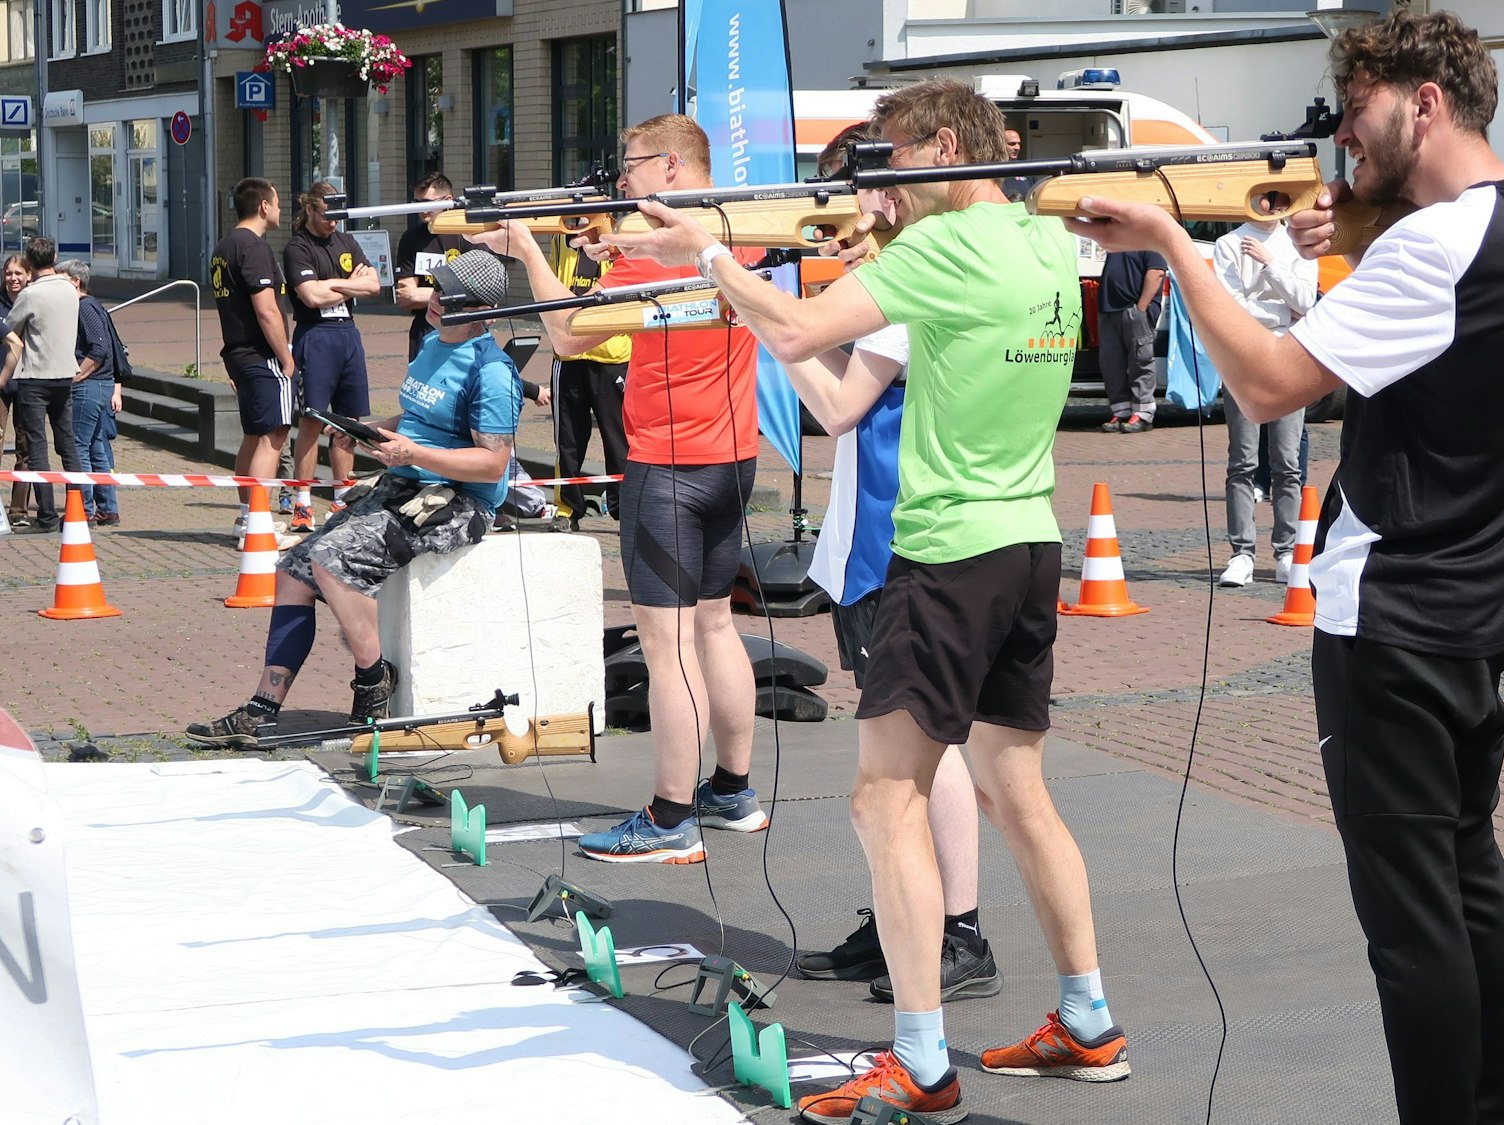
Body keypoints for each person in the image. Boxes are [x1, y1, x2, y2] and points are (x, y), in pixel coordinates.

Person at [1060, 10, 1504, 1121]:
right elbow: (1438, 251)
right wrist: (1348, 220)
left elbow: (1262, 384)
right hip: (1477, 604)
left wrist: (1169, 244)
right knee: (1469, 884)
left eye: (1356, 121)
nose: (1344, 146)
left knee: (1410, 926)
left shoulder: (1426, 252)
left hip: (1390, 616)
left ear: (1423, 105)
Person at [601, 78, 1127, 1122]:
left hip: (944, 556)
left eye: (888, 159)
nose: (877, 179)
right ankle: (1085, 1017)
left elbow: (798, 336)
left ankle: (921, 1064)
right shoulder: (1041, 241)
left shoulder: (941, 250)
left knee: (881, 801)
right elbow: (837, 374)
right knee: (1016, 791)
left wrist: (712, 259)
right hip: (1025, 543)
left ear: (941, 150)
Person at [470, 114, 768, 865]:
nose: (623, 179)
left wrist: (530, 253)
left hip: (668, 465)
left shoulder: (661, 247)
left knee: (667, 649)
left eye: (632, 165)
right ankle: (731, 790)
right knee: (716, 629)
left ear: (671, 166)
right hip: (733, 456)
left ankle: (670, 816)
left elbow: (568, 337)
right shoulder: (741, 227)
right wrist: (618, 245)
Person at [794, 122, 1002, 1005]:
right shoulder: (906, 264)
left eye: (861, 193)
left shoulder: (921, 271)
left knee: (926, 752)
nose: (854, 212)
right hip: (874, 536)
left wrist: (778, 326)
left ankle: (956, 931)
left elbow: (840, 405)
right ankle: (902, 919)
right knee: (896, 752)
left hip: (898, 535)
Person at [186, 250, 524, 747]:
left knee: (329, 559)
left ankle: (373, 682)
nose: (432, 300)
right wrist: (371, 431)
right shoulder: (433, 343)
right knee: (293, 568)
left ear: (476, 310)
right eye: (435, 288)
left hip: (456, 501)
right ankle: (262, 707)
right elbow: (416, 421)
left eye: (445, 296)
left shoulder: (493, 373)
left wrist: (413, 453)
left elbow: (493, 464)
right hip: (408, 483)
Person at [1213, 213, 1316, 588]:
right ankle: (1242, 552)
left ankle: (1286, 551)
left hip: (1290, 356)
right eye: (1264, 195)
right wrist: (1279, 310)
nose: (1271, 204)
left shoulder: (1298, 243)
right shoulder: (1229, 244)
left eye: (1280, 196)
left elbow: (1307, 300)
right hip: (1244, 359)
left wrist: (1270, 265)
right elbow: (1230, 309)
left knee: (1287, 462)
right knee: (1242, 460)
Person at [284, 181, 382, 533]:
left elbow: (374, 285)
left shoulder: (346, 241)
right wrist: (347, 282)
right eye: (327, 215)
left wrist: (333, 285)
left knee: (348, 421)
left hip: (347, 334)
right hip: (315, 336)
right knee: (312, 419)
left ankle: (343, 498)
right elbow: (310, 297)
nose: (332, 223)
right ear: (310, 209)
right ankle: (303, 503)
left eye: (338, 216)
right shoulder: (297, 248)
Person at [209, 178, 297, 543]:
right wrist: (286, 357)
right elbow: (267, 311)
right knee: (272, 436)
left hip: (238, 353)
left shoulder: (224, 246)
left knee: (252, 436)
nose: (279, 210)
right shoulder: (253, 247)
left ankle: (246, 517)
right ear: (263, 206)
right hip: (260, 355)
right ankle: (257, 523)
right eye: (276, 203)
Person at [547, 234, 630, 532]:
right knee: (567, 441)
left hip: (612, 354)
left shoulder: (618, 236)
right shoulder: (561, 239)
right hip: (568, 356)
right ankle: (567, 509)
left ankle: (626, 509)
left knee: (620, 440)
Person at [0, 237, 81, 534]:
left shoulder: (31, 294)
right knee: (67, 444)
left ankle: (47, 515)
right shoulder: (70, 289)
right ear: (55, 257)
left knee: (37, 448)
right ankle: (78, 507)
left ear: (30, 265)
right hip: (64, 374)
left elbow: (10, 328)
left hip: (35, 376)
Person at [56, 260, 124, 526]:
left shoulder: (84, 307)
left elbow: (98, 348)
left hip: (90, 386)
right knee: (97, 447)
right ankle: (107, 508)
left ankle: (82, 509)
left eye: (61, 281)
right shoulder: (92, 306)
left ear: (75, 282)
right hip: (100, 385)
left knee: (78, 446)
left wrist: (78, 376)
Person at [393, 172, 471, 363]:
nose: (422, 209)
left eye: (427, 202)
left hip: (464, 326)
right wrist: (455, 296)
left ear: (448, 200)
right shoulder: (411, 238)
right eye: (417, 203)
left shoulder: (468, 234)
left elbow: (478, 292)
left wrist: (425, 295)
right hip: (426, 326)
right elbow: (406, 297)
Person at [1097, 248, 1166, 432]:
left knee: (1140, 361)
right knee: (1111, 363)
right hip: (1110, 310)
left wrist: (1141, 307)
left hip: (1133, 309)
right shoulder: (1119, 238)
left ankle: (1143, 413)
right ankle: (1121, 411)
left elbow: (1157, 272)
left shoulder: (1148, 238)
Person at [1, 254, 33, 527]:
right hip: (0, 384)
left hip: (28, 384)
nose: (13, 278)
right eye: (8, 273)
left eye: (18, 273)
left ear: (29, 275)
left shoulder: (34, 301)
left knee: (26, 447)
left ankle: (19, 510)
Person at [1000, 127, 1033, 202]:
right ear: (1000, 145)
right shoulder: (991, 169)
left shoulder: (1026, 168)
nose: (1017, 147)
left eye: (1019, 144)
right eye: (1012, 144)